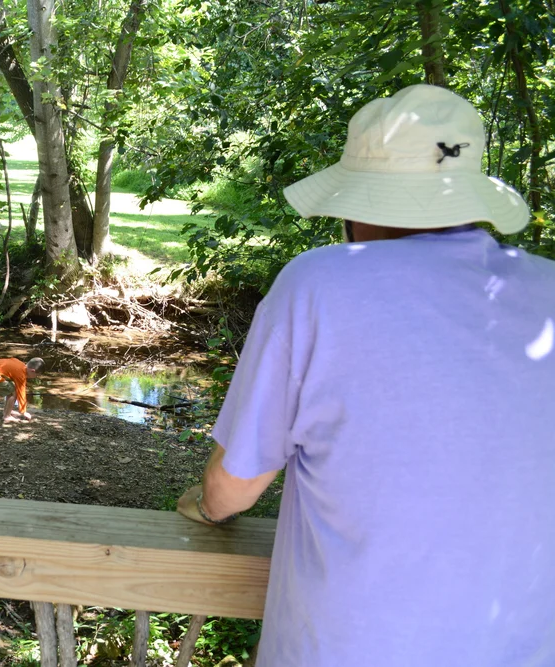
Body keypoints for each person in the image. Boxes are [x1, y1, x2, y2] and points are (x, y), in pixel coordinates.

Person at [176, 84, 555, 666]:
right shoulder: (546, 295)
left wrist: (206, 506)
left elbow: (235, 484)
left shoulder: (320, 286)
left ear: (360, 205)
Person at [0, 357, 44, 423]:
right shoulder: (21, 374)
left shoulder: (20, 364)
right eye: (36, 376)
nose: (36, 377)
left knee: (12, 388)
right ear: (33, 371)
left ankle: (7, 411)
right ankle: (7, 416)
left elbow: (0, 361)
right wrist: (23, 411)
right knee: (13, 392)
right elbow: (21, 393)